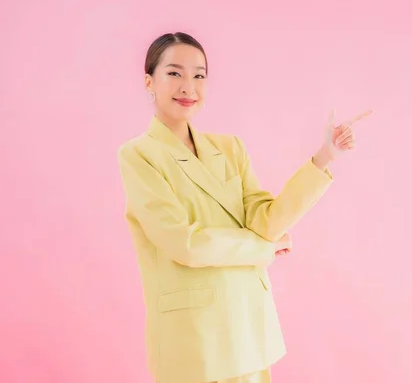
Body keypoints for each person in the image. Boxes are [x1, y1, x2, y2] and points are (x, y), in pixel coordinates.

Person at [117, 31, 372, 383]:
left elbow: (265, 222)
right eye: (174, 73)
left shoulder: (230, 148)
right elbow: (184, 243)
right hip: (193, 337)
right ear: (149, 81)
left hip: (247, 326)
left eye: (199, 75)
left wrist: (324, 157)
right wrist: (262, 249)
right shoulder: (138, 155)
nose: (188, 86)